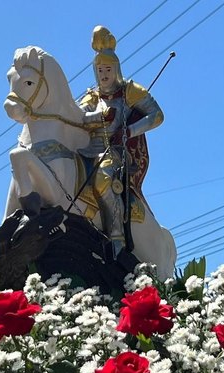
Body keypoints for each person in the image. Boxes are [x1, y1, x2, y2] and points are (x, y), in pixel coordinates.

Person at [77, 25, 164, 256]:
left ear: (116, 69)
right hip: (88, 149)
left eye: (108, 69)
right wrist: (98, 116)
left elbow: (157, 115)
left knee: (103, 178)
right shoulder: (91, 96)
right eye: (100, 70)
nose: (104, 74)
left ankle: (117, 237)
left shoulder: (130, 91)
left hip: (114, 152)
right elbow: (78, 117)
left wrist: (129, 130)